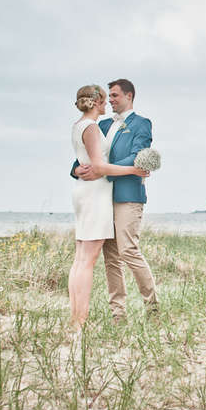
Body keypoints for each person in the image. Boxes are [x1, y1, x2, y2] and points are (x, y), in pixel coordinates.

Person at [71, 78, 158, 319]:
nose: (110, 100)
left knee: (128, 250)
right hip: (100, 197)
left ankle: (152, 307)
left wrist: (102, 168)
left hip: (128, 195)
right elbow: (87, 154)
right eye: (108, 96)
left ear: (129, 96)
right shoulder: (103, 123)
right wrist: (77, 170)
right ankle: (118, 314)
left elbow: (138, 156)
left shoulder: (141, 124)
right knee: (110, 257)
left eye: (115, 96)